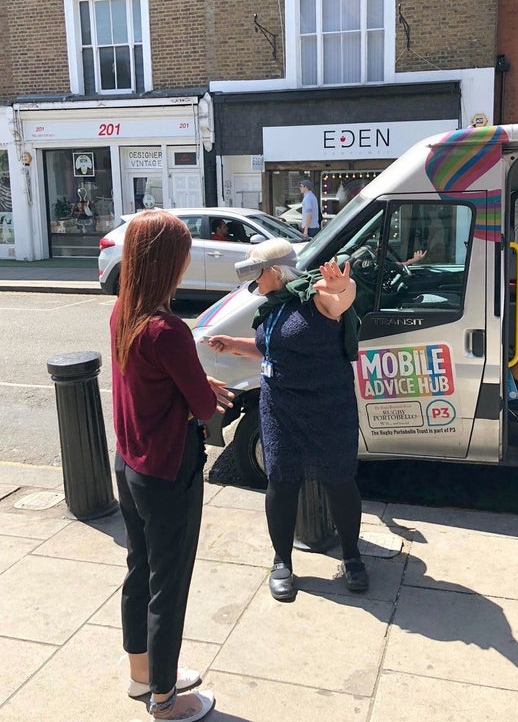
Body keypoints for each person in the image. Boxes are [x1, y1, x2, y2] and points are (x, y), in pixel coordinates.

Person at [112, 209, 233, 722]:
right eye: (184, 250)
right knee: (169, 585)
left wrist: (193, 389)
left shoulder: (123, 311)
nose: (189, 258)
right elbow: (205, 410)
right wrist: (202, 394)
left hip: (130, 462)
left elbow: (155, 383)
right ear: (169, 261)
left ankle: (144, 676)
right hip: (166, 469)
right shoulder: (168, 329)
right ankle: (165, 699)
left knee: (140, 570)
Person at [208, 238, 368, 602]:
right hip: (280, 407)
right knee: (280, 481)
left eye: (255, 271)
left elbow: (340, 300)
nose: (253, 282)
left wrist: (343, 288)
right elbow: (270, 348)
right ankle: (282, 561)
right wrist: (233, 343)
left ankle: (353, 558)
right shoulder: (274, 306)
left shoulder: (317, 297)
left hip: (328, 407)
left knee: (339, 480)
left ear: (274, 271)